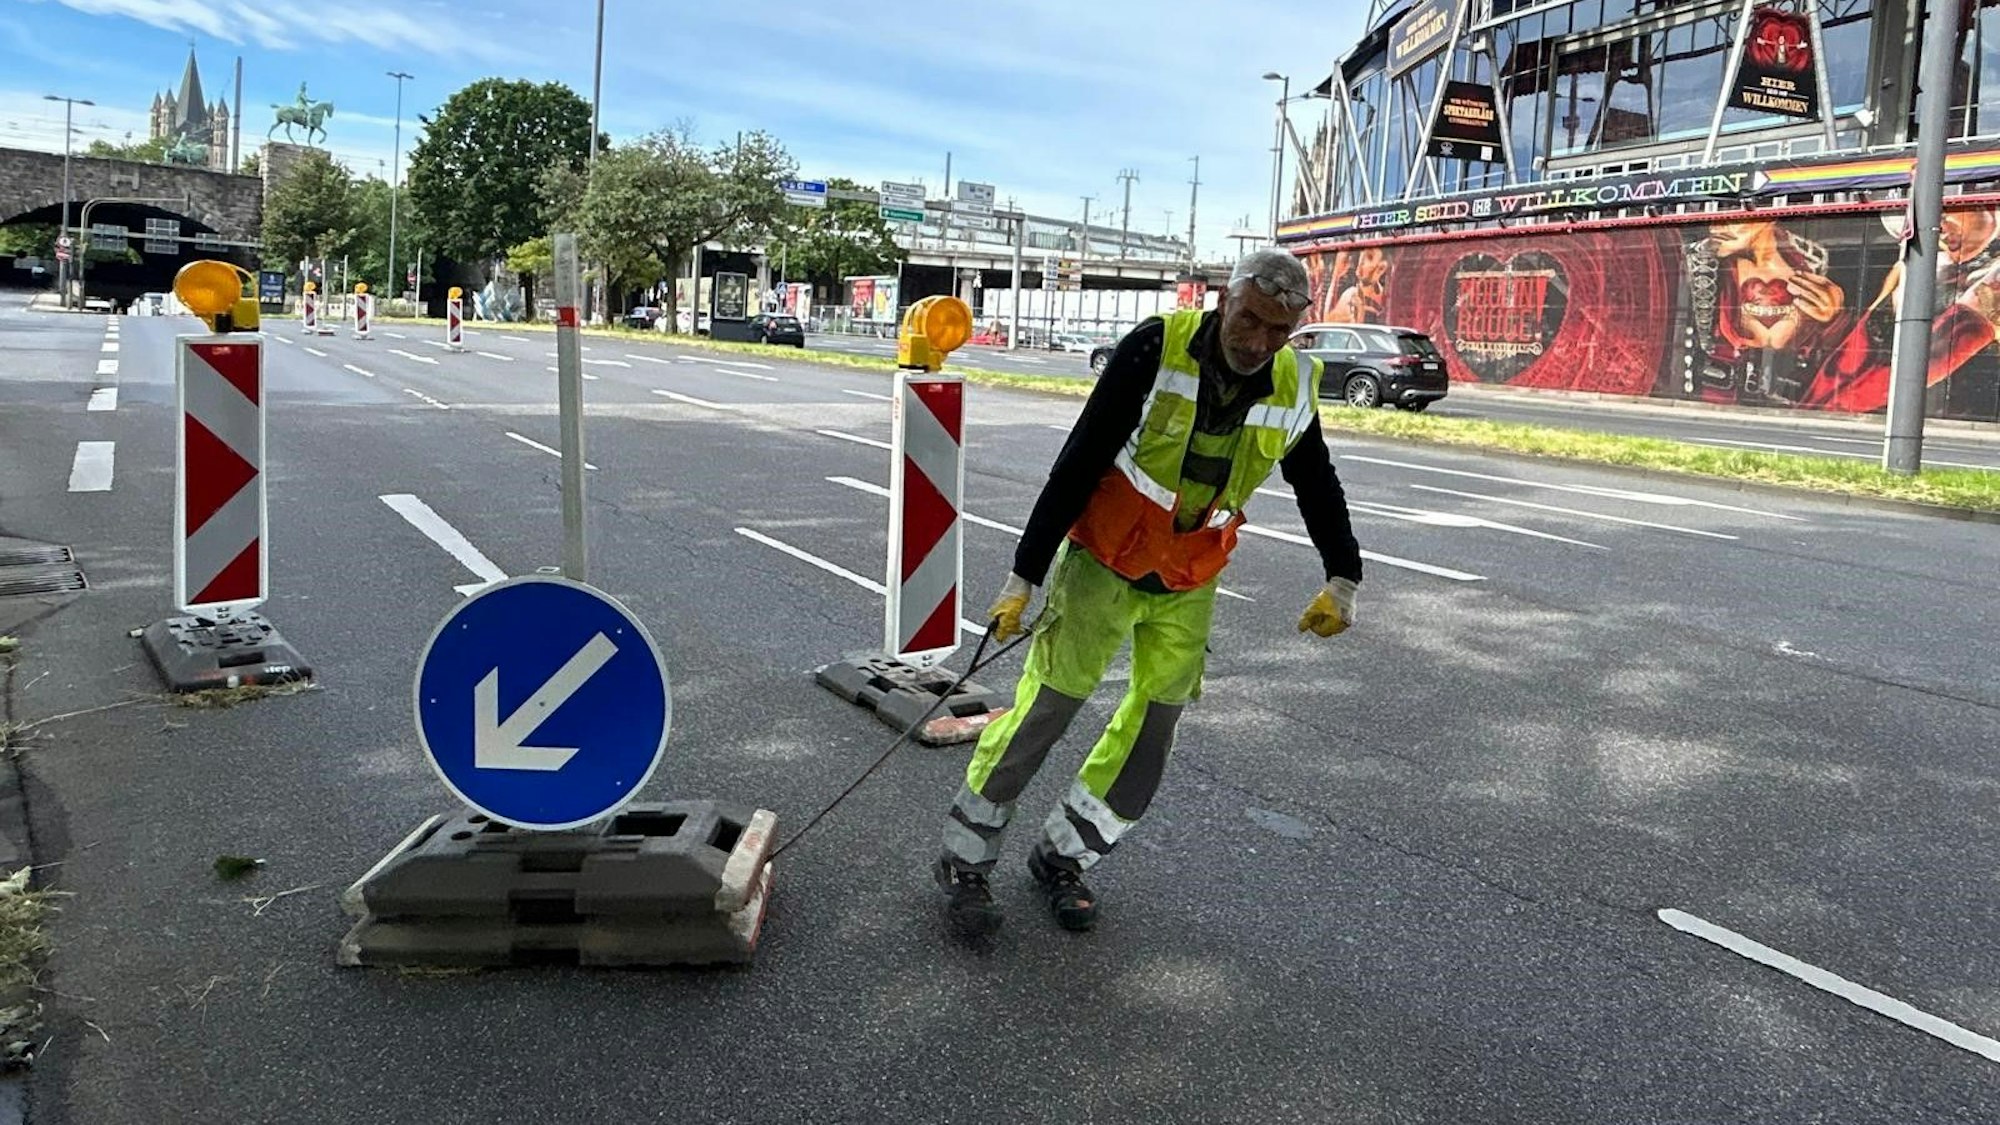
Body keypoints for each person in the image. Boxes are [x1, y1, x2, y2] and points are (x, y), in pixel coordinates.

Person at [932, 248, 1365, 937]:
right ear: (1226, 298)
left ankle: (1063, 856)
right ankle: (966, 859)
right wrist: (1026, 574)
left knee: (1153, 730)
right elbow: (1081, 455)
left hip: (1190, 576)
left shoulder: (1293, 381)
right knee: (1045, 712)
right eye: (1250, 320)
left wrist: (1343, 574)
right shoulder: (1157, 348)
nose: (1259, 342)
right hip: (1104, 561)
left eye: (1278, 330)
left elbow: (1316, 479)